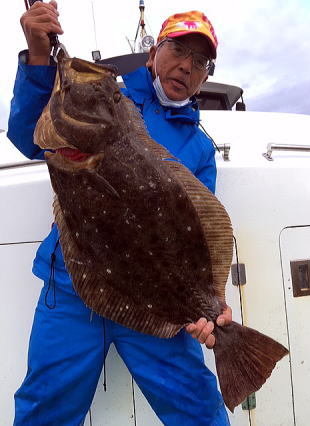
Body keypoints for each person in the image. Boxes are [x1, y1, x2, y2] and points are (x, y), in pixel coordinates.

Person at [8, 1, 232, 425]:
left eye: (201, 61)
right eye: (178, 50)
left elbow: (196, 239)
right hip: (71, 287)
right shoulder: (111, 98)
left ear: (206, 76)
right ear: (153, 54)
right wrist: (39, 56)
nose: (187, 66)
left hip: (149, 297)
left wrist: (212, 307)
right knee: (44, 409)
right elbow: (28, 137)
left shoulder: (201, 149)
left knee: (200, 411)